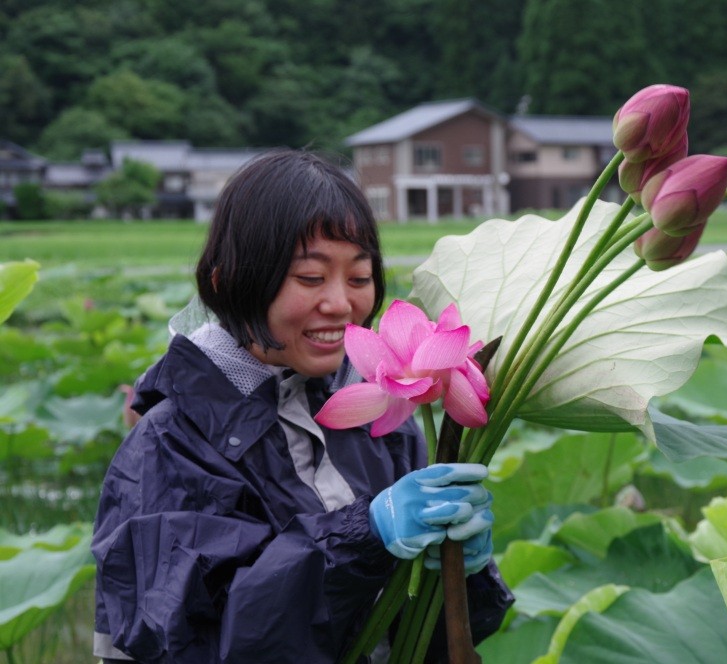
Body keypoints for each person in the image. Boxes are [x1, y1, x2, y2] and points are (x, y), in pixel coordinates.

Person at [91, 150, 513, 663]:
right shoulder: (168, 444)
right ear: (228, 282)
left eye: (359, 278)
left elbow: (424, 644)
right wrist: (365, 537)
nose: (341, 303)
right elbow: (199, 642)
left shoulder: (386, 420)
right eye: (311, 278)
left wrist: (463, 574)